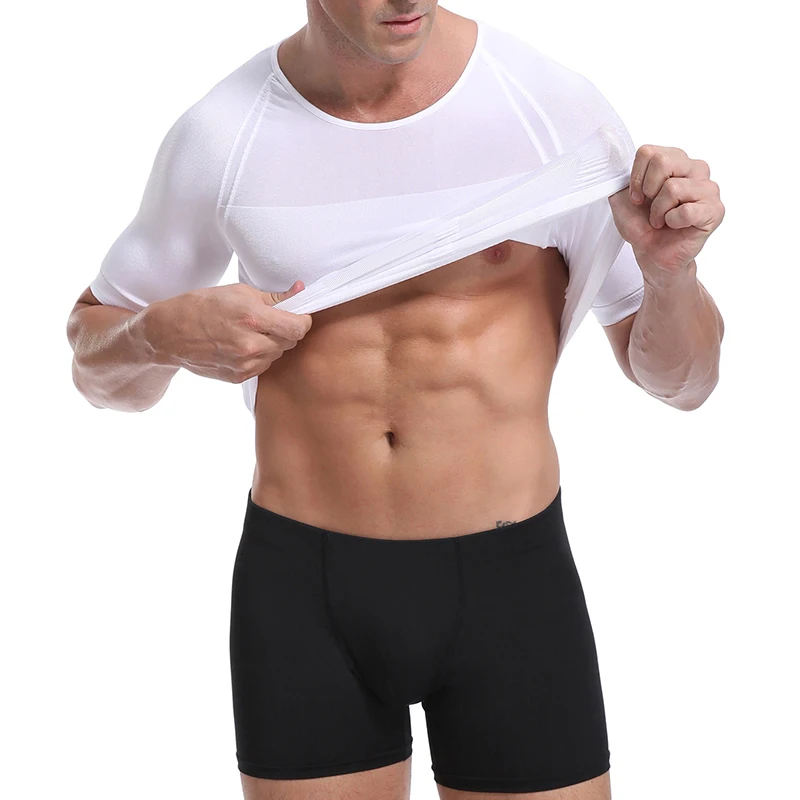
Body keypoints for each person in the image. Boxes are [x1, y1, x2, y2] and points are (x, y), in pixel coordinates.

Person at [65, 2, 725, 799]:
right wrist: (159, 336)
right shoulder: (224, 133)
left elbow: (681, 382)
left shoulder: (550, 110)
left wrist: (670, 274)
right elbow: (96, 367)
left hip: (511, 584)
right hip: (305, 589)